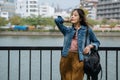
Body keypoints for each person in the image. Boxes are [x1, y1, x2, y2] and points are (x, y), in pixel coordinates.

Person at [54, 8, 100, 80]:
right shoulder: (67, 30)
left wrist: (89, 46)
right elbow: (57, 21)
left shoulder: (87, 30)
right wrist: (67, 20)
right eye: (72, 15)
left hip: (79, 58)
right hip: (65, 57)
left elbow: (96, 42)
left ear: (80, 19)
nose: (72, 16)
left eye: (75, 15)